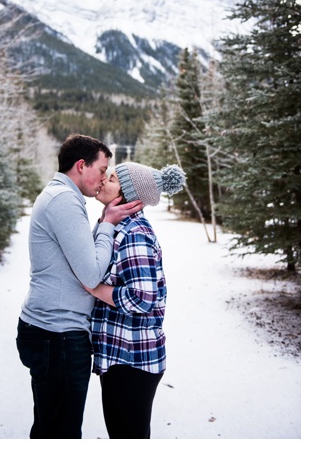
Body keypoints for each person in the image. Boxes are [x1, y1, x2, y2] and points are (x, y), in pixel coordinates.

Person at [16, 134, 143, 439]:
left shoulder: (63, 196)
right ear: (81, 165)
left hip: (53, 332)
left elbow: (81, 255)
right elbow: (90, 273)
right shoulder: (63, 200)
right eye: (102, 170)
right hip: (56, 335)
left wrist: (102, 223)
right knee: (61, 431)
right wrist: (109, 223)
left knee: (53, 425)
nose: (103, 180)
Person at [85, 161, 186, 439]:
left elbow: (141, 298)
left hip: (133, 360)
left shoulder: (135, 234)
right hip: (123, 358)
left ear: (130, 196)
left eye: (114, 179)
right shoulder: (120, 227)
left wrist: (93, 288)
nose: (104, 180)